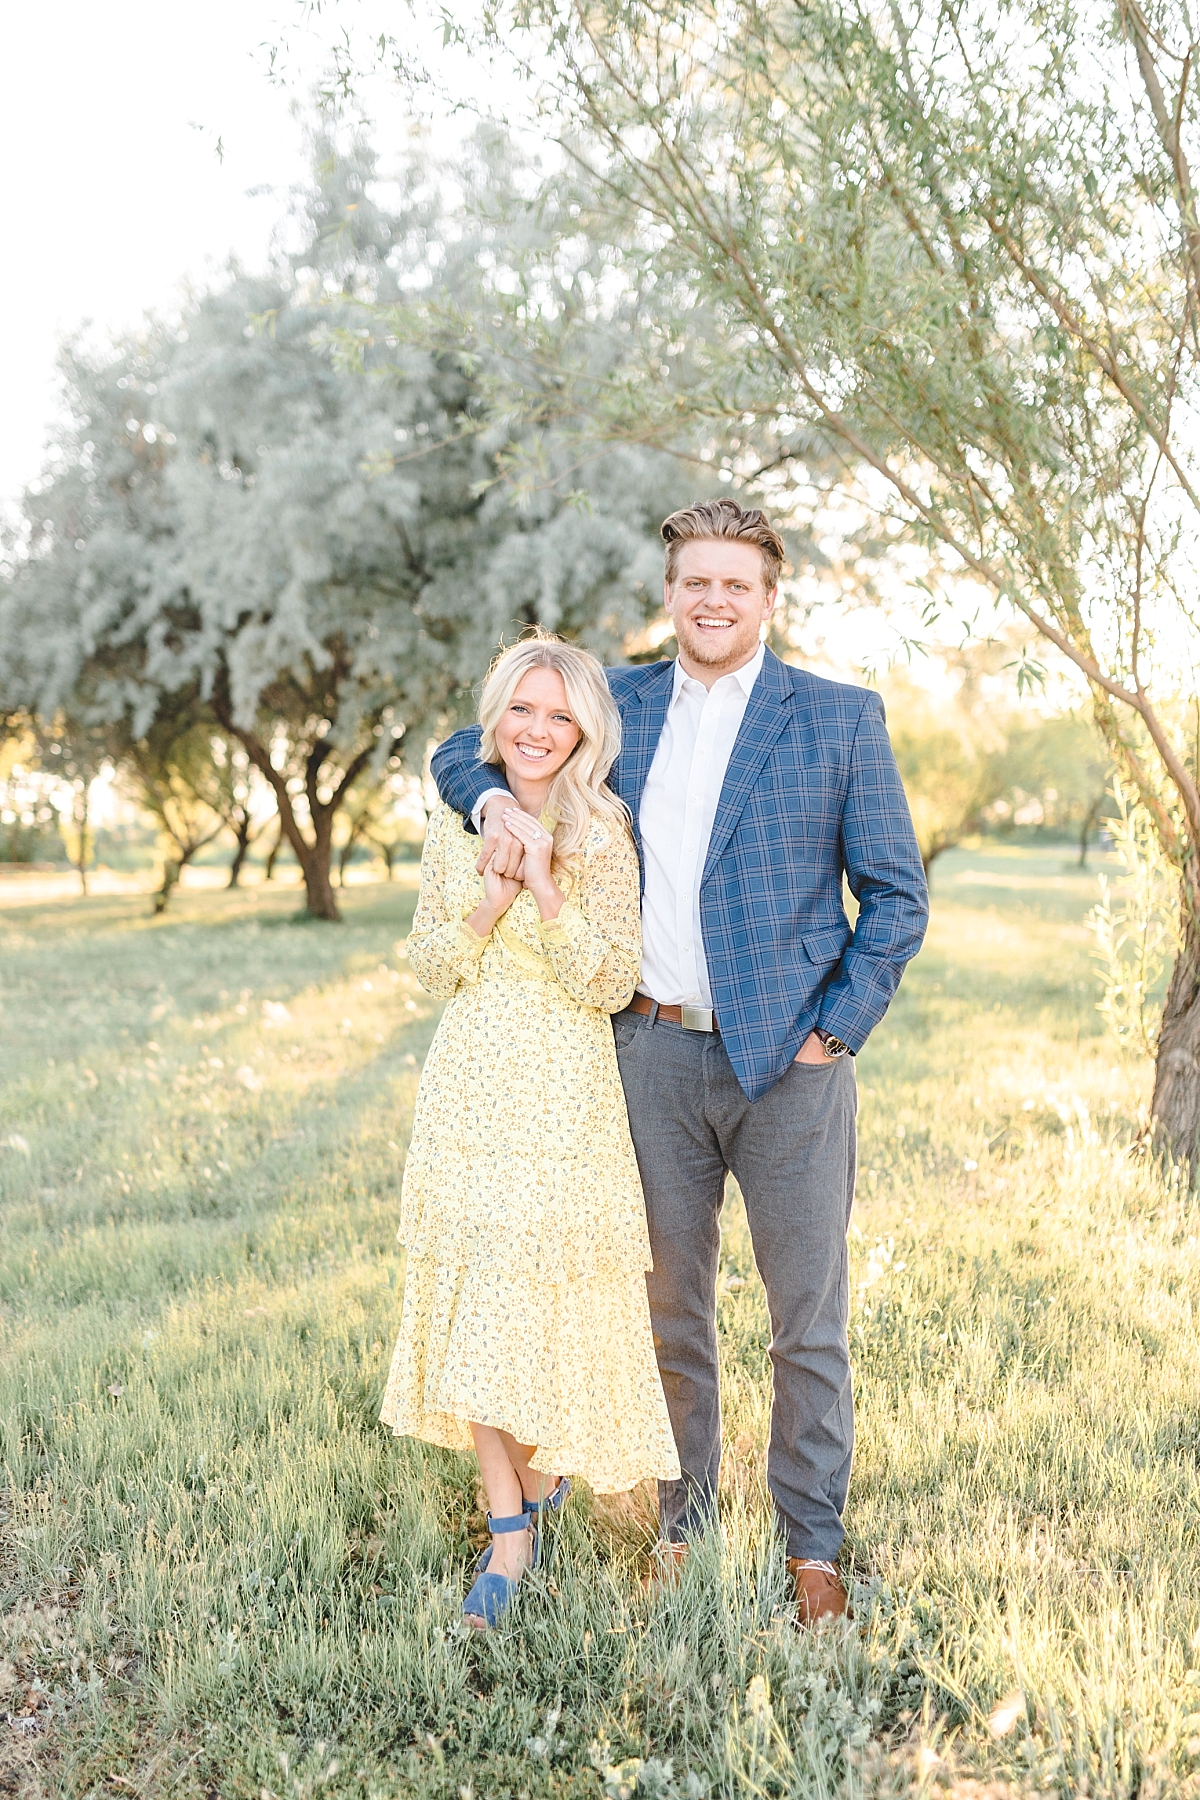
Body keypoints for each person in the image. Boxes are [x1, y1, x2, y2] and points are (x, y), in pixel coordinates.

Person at [431, 498, 929, 1625]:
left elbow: (896, 895)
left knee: (808, 1317)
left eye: (736, 584)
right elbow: (461, 745)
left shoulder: (838, 719)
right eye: (694, 581)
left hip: (793, 1066)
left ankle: (813, 1545)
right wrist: (498, 799)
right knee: (671, 1312)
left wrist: (836, 1026)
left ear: (768, 597)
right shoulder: (623, 703)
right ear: (670, 592)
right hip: (648, 1051)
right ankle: (682, 1523)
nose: (713, 599)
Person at [380, 635, 680, 1630]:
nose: (539, 732)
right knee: (468, 1300)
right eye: (523, 711)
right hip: (469, 1082)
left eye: (560, 716)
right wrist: (488, 903)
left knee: (533, 1301)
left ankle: (541, 1480)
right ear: (495, 717)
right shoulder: (460, 819)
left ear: (584, 728)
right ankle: (511, 1528)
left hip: (563, 1089)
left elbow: (606, 981)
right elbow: (428, 967)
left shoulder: (603, 827)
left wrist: (546, 886)